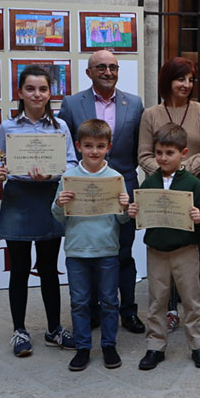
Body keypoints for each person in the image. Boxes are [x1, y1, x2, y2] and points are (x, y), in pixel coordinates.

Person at [57, 49, 146, 334]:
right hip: (84, 191)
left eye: (113, 67)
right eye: (101, 67)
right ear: (89, 72)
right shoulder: (71, 104)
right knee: (92, 253)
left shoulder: (134, 103)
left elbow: (137, 150)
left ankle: (128, 311)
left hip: (123, 188)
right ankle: (93, 311)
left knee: (123, 254)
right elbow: (65, 148)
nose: (108, 72)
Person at [0, 65, 78, 358]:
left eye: (43, 89)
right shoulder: (8, 127)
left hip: (48, 198)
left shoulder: (61, 127)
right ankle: (20, 331)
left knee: (48, 268)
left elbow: (71, 165)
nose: (37, 94)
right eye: (30, 89)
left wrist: (53, 175)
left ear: (50, 93)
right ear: (20, 93)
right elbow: (0, 163)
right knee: (18, 269)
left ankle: (54, 329)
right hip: (18, 198)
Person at [139, 57, 200, 331]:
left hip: (196, 189)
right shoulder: (151, 114)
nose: (186, 85)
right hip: (160, 194)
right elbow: (145, 154)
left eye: (190, 80)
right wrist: (165, 172)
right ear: (167, 81)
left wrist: (181, 170)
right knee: (163, 251)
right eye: (180, 79)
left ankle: (193, 312)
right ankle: (168, 310)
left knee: (192, 254)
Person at [129, 124, 200, 371]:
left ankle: (198, 344)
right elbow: (140, 218)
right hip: (156, 250)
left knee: (191, 299)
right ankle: (155, 345)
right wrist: (134, 212)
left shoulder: (193, 184)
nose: (163, 158)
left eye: (169, 153)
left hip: (185, 249)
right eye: (159, 152)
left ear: (183, 153)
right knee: (157, 300)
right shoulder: (149, 183)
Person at [51, 119, 132, 371]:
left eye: (99, 146)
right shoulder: (69, 177)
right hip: (76, 250)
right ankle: (83, 346)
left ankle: (109, 344)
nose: (94, 151)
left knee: (109, 300)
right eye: (88, 146)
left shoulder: (116, 177)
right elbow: (58, 216)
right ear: (78, 147)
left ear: (109, 146)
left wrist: (125, 206)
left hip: (107, 249)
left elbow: (122, 219)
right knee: (79, 301)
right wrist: (59, 203)